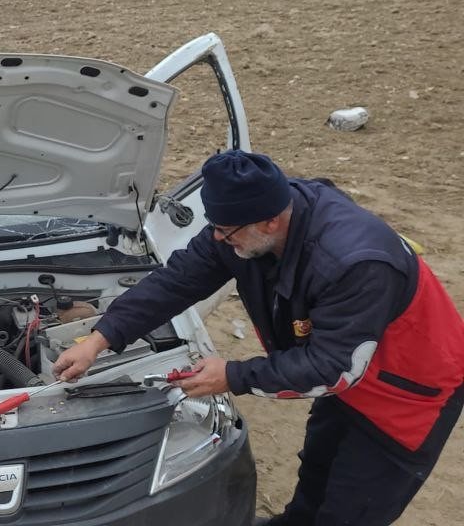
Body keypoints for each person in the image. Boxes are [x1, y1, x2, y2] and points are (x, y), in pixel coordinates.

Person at [53, 150, 464, 526]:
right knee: (317, 470)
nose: (218, 239)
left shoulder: (354, 263)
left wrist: (235, 375)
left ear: (269, 222)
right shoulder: (246, 223)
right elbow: (177, 281)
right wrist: (101, 338)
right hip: (345, 363)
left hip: (407, 390)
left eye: (227, 232)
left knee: (352, 507)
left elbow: (333, 370)